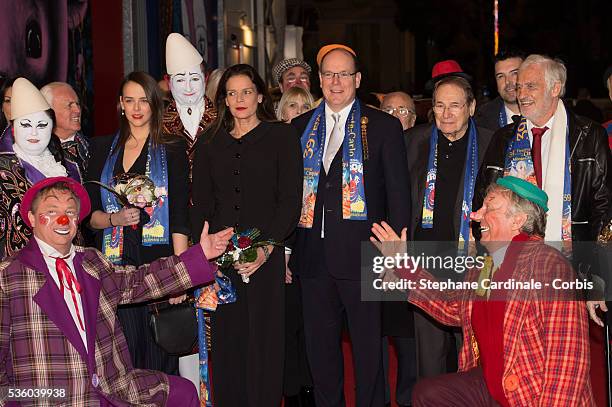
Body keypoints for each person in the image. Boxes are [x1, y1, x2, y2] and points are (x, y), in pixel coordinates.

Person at [0, 176, 233, 406]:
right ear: (31, 217)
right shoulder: (7, 275)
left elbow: (142, 280)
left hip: (112, 389)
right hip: (53, 398)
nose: (63, 219)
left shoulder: (91, 262)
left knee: (183, 392)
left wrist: (200, 255)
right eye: (51, 211)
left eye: (71, 213)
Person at [371, 176, 595, 406]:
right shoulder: (486, 266)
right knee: (430, 394)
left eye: (489, 206)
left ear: (518, 219)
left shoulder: (550, 267)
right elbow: (451, 307)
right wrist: (402, 264)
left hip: (533, 397)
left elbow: (568, 364)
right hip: (494, 385)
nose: (475, 215)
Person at [290, 44, 411, 406]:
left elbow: (399, 197)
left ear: (357, 80)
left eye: (344, 74)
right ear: (319, 81)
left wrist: (395, 257)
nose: (336, 81)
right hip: (312, 259)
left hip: (366, 258)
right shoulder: (299, 128)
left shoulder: (384, 127)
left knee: (369, 353)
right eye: (329, 74)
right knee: (321, 355)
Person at [190, 63, 303, 406]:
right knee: (228, 343)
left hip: (265, 259)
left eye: (246, 92)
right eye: (231, 93)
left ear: (259, 95)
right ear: (223, 99)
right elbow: (201, 204)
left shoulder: (282, 136)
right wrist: (205, 251)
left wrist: (266, 250)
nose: (239, 100)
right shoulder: (210, 140)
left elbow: (289, 203)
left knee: (265, 345)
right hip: (221, 259)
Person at [474, 55, 611, 291]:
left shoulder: (589, 136)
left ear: (555, 88)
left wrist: (598, 277)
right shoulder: (503, 139)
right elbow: (483, 198)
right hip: (509, 270)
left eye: (530, 86)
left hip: (574, 269)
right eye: (519, 87)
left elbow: (604, 209)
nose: (521, 94)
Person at [85, 71, 191, 375]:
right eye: (129, 100)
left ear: (155, 104)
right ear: (120, 103)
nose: (136, 108)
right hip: (114, 263)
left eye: (144, 100)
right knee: (123, 357)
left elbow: (180, 217)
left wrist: (181, 273)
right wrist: (114, 218)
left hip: (158, 261)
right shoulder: (102, 148)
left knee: (161, 354)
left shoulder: (172, 148)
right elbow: (90, 217)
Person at [405, 75, 493, 382]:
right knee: (428, 357)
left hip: (473, 260)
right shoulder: (414, 141)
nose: (446, 113)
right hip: (425, 262)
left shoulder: (491, 142)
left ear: (470, 107)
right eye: (439, 105)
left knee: (472, 350)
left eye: (455, 105)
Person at [0, 77, 80, 260]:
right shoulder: (4, 167)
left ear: (52, 127)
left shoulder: (66, 164)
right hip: (19, 270)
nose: (34, 133)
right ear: (13, 128)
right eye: (26, 124)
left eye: (42, 125)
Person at [161, 33, 217, 177]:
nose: (188, 88)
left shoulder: (223, 118)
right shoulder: (158, 124)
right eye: (180, 80)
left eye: (194, 78)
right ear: (168, 82)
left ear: (205, 79)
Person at [41, 82, 91, 179]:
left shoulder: (96, 147)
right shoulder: (39, 153)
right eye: (69, 105)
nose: (78, 110)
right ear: (49, 111)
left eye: (77, 104)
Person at [474, 50, 524, 131]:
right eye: (501, 76)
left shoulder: (547, 114)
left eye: (514, 73)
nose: (507, 81)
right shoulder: (481, 122)